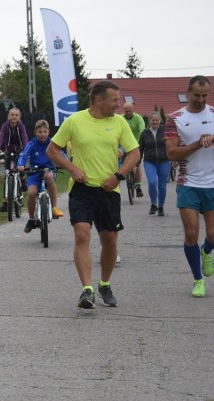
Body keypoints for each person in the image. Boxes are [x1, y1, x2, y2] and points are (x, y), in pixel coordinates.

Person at [46, 80, 140, 309]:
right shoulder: (75, 121)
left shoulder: (119, 123)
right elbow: (52, 150)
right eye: (114, 100)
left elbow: (134, 154)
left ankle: (104, 284)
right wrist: (72, 168)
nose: (118, 105)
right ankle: (86, 290)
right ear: (99, 100)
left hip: (109, 190)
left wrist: (118, 176)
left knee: (109, 240)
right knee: (81, 235)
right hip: (82, 190)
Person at [165, 75, 214, 298]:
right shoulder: (175, 119)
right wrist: (197, 143)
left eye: (205, 95)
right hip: (188, 183)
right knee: (191, 233)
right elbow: (171, 153)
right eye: (197, 95)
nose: (201, 99)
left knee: (212, 235)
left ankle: (206, 251)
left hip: (212, 183)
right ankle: (198, 280)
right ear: (188, 92)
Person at [17, 119, 64, 233]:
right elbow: (24, 155)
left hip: (48, 170)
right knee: (32, 193)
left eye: (44, 131)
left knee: (49, 177)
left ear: (48, 131)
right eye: (40, 132)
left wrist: (65, 162)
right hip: (34, 172)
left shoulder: (52, 143)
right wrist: (20, 165)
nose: (42, 134)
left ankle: (54, 208)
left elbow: (61, 154)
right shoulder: (32, 144)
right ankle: (32, 219)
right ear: (35, 132)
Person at [0, 107, 28, 212]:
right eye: (12, 115)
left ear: (19, 117)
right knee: (7, 175)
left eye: (16, 115)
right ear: (9, 116)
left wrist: (26, 150)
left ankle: (22, 180)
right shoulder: (5, 126)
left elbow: (24, 137)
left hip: (19, 150)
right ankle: (5, 202)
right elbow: (1, 136)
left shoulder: (21, 126)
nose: (14, 117)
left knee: (20, 168)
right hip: (8, 150)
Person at [138, 111, 170, 216]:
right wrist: (136, 164)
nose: (155, 122)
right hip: (149, 161)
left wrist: (175, 159)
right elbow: (140, 149)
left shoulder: (166, 131)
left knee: (162, 186)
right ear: (149, 121)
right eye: (153, 120)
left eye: (157, 120)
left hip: (164, 161)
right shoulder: (144, 133)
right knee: (152, 183)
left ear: (160, 121)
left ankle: (161, 207)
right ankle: (153, 204)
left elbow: (171, 146)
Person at [122, 102, 146, 197]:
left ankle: (138, 186)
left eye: (130, 111)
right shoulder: (120, 118)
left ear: (133, 110)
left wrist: (137, 143)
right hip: (123, 144)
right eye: (126, 111)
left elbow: (142, 130)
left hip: (136, 143)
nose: (128, 112)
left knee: (137, 164)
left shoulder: (138, 118)